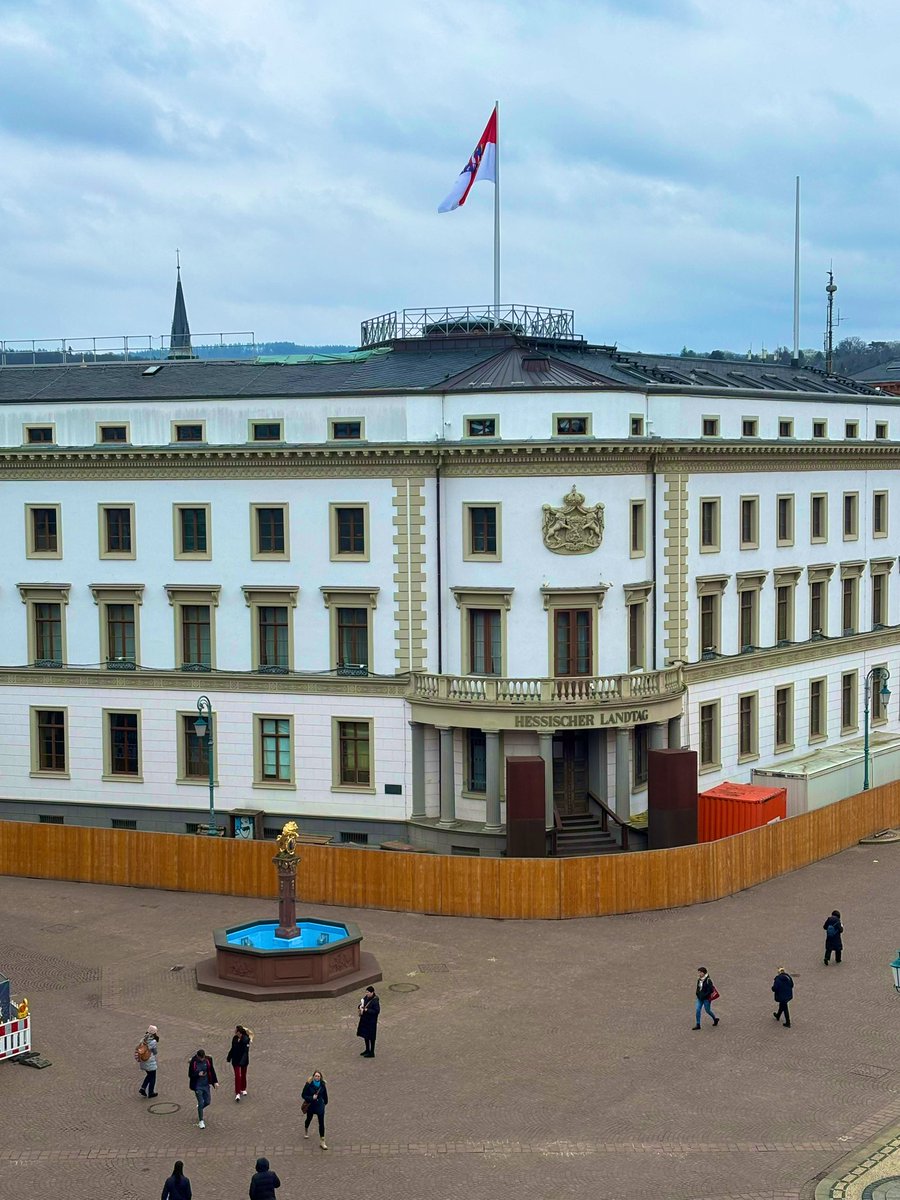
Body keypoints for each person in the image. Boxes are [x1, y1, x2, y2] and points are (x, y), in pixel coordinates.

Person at [188, 1048, 218, 1129]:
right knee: (201, 1102)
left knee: (207, 1102)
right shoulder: (193, 1062)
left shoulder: (208, 1060)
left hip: (206, 1085)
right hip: (198, 1086)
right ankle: (201, 1121)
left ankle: (200, 1108)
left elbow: (211, 1070)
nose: (202, 1059)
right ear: (198, 1056)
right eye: (201, 1058)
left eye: (203, 1058)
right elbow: (190, 1074)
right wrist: (198, 1074)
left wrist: (215, 1081)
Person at [301, 1070, 329, 1149]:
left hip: (320, 1106)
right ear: (313, 1077)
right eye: (316, 1076)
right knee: (308, 1119)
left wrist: (325, 1103)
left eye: (318, 1076)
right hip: (311, 1106)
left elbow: (325, 1095)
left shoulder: (322, 1085)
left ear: (320, 1077)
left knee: (322, 1123)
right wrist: (311, 1098)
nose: (317, 1077)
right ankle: (306, 1128)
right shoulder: (308, 1085)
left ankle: (322, 1141)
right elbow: (303, 1095)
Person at [227, 1024, 252, 1100]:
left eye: (236, 1030)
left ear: (239, 1032)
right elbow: (233, 1048)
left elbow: (245, 1052)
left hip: (243, 1060)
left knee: (243, 1074)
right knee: (238, 1076)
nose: (234, 1032)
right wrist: (229, 1056)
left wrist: (242, 1061)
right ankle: (237, 1092)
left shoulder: (245, 1039)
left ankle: (243, 1088)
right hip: (236, 1060)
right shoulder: (234, 1039)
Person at [357, 986, 380, 1057]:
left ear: (372, 992)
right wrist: (360, 1006)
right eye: (366, 992)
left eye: (368, 992)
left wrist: (367, 1010)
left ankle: (372, 1052)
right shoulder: (366, 997)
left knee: (371, 1037)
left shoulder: (375, 1001)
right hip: (365, 1020)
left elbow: (377, 1011)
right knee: (365, 1035)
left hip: (371, 1022)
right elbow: (362, 1004)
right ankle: (367, 1050)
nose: (366, 993)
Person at [138, 1024, 159, 1098]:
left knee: (149, 1075)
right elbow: (155, 1052)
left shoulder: (143, 1039)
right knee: (153, 1076)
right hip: (150, 1061)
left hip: (143, 1060)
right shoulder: (153, 1041)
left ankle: (143, 1088)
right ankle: (151, 1092)